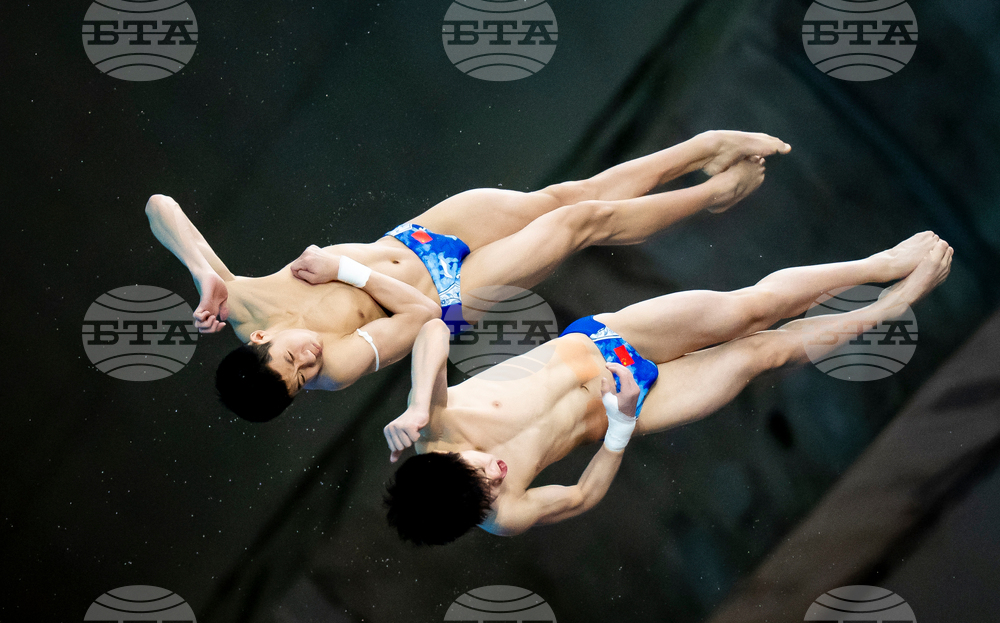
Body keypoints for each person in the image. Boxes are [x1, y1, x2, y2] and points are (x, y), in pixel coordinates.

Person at [145, 131, 791, 421]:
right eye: (302, 376)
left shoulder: (236, 304)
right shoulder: (337, 370)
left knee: (568, 195)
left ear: (259, 342)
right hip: (451, 294)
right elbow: (421, 320)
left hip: (418, 235)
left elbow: (159, 208)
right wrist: (342, 268)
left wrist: (203, 269)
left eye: (293, 359)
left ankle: (702, 148)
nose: (310, 360)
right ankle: (713, 192)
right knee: (582, 223)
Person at [382, 233, 952, 545]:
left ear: (447, 457)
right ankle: (895, 304)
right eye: (489, 490)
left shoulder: (434, 421)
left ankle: (876, 263)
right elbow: (581, 497)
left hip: (609, 341)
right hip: (629, 407)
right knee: (762, 353)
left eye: (479, 471)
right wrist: (623, 419)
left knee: (751, 309)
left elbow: (433, 326)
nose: (497, 475)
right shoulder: (501, 515)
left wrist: (414, 399)